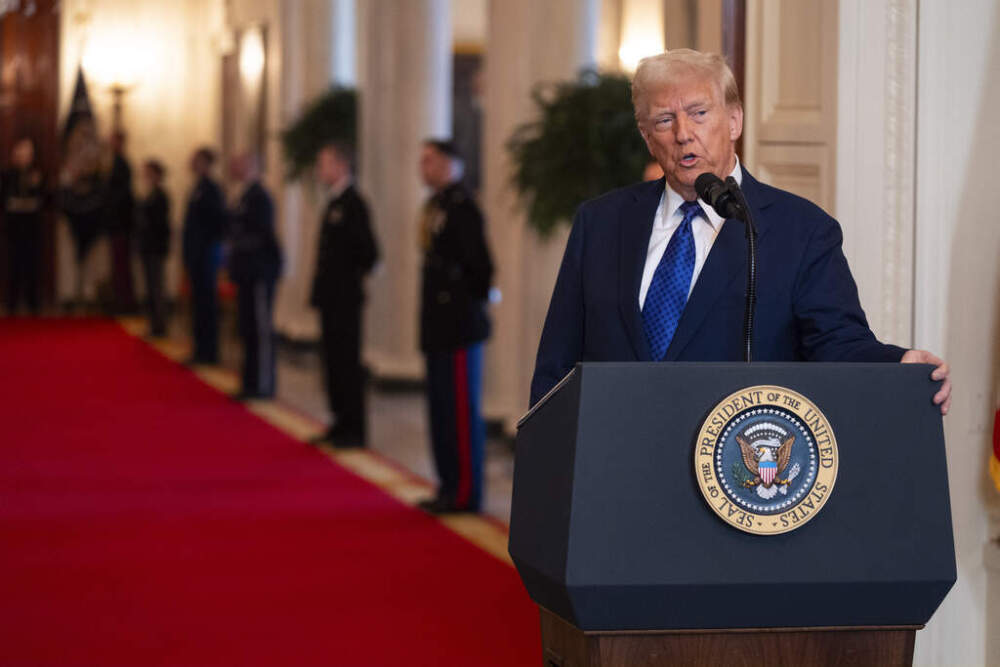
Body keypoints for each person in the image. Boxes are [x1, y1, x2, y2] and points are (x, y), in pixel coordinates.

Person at [531, 49, 951, 415]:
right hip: (612, 468)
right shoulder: (601, 223)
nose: (682, 134)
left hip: (734, 474)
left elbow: (838, 345)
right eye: (664, 120)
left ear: (734, 120)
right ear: (646, 136)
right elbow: (556, 367)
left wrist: (898, 367)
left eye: (698, 113)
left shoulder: (801, 231)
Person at [416, 139, 494, 514]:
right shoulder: (438, 206)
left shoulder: (463, 208)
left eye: (429, 160)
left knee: (461, 413)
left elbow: (481, 268)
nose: (423, 167)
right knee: (441, 410)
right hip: (438, 325)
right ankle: (448, 485)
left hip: (459, 325)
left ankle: (465, 493)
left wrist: (460, 304)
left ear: (450, 164)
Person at [308, 141, 380, 448]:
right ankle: (339, 421)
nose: (319, 170)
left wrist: (346, 281)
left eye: (324, 163)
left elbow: (369, 252)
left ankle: (354, 429)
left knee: (348, 364)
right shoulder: (334, 201)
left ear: (341, 165)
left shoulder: (354, 203)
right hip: (330, 298)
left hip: (346, 299)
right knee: (333, 362)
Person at [228, 153, 282, 400]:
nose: (234, 167)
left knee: (260, 330)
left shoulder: (260, 196)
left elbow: (261, 234)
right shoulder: (245, 195)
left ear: (250, 166)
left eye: (238, 163)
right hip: (246, 272)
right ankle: (249, 382)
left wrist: (236, 243)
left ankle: (262, 384)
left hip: (259, 271)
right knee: (248, 328)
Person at [182, 147, 226, 365]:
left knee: (207, 305)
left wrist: (206, 249)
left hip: (206, 255)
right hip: (196, 255)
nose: (193, 163)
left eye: (198, 160)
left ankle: (209, 352)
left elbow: (217, 223)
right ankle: (200, 349)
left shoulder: (212, 189)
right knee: (198, 305)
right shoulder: (198, 187)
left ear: (207, 163)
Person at [2, 138, 45, 315]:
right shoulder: (7, 175)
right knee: (13, 266)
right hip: (13, 229)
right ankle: (11, 303)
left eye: (27, 153)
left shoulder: (36, 174)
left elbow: (45, 199)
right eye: (21, 153)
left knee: (31, 267)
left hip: (31, 229)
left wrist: (36, 186)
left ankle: (32, 303)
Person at [136, 159, 171, 337]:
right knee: (150, 287)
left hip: (155, 248)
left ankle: (159, 325)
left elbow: (160, 225)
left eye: (149, 172)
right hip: (147, 247)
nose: (146, 176)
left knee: (156, 287)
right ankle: (154, 323)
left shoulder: (160, 195)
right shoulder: (150, 194)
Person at [105, 131, 137, 313]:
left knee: (122, 265)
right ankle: (121, 300)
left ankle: (125, 302)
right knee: (118, 265)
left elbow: (121, 196)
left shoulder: (122, 164)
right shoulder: (116, 162)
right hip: (117, 223)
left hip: (121, 224)